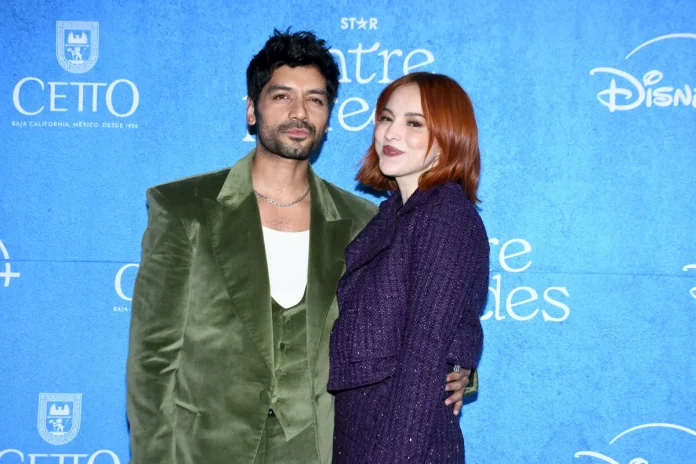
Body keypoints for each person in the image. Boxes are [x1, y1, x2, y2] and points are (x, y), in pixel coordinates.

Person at [126, 30, 473, 464]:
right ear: (252, 110)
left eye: (315, 100)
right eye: (281, 96)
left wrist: (459, 367)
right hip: (205, 450)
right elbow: (152, 362)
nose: (299, 112)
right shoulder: (184, 209)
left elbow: (422, 317)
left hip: (319, 449)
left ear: (328, 117)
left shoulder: (365, 221)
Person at [328, 72, 489, 463]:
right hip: (363, 435)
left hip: (403, 445)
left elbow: (423, 355)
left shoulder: (444, 214)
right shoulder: (394, 215)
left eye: (414, 123)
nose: (391, 133)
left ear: (449, 137)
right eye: (386, 118)